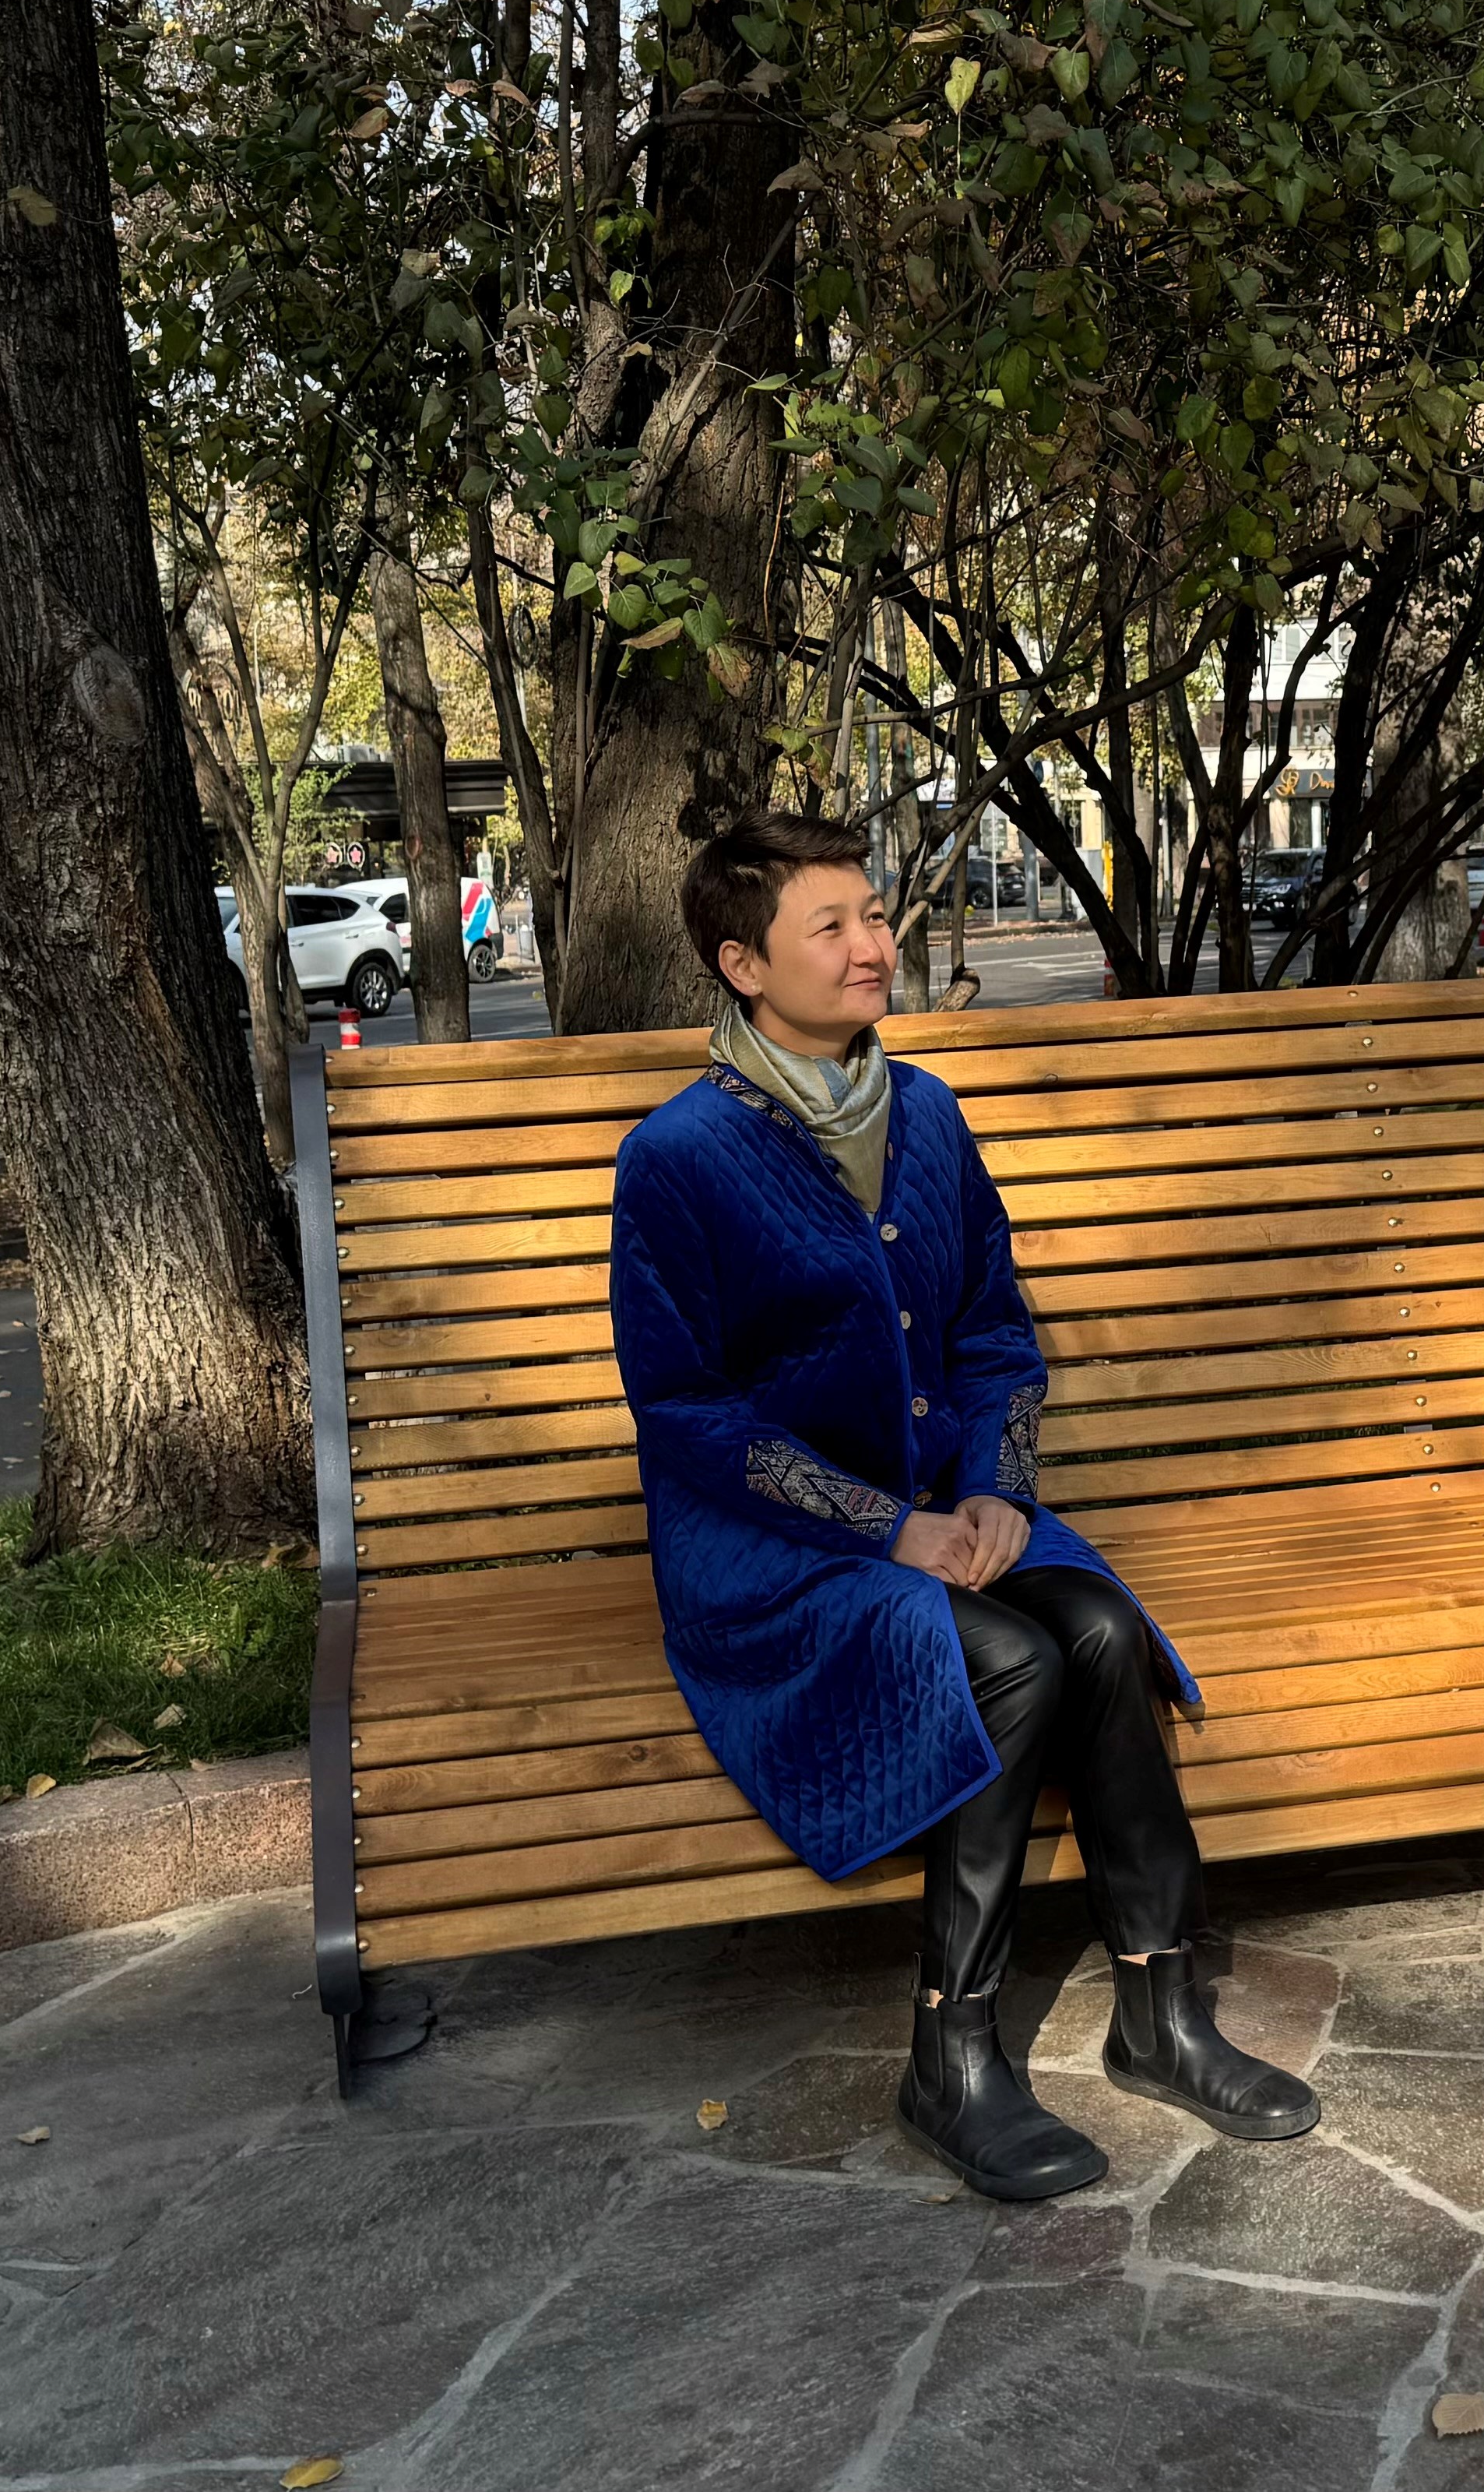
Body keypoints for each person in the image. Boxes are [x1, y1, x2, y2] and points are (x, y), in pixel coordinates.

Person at [609, 815, 1317, 2200]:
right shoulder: (678, 1158)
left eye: (874, 914)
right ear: (742, 962)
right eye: (835, 927)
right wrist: (892, 1531)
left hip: (948, 1504)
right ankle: (953, 2051)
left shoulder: (924, 1115)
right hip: (775, 1554)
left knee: (1101, 1627)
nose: (874, 944)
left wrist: (995, 1489)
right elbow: (689, 1413)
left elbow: (996, 1330)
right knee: (1008, 1660)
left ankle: (1162, 2013)